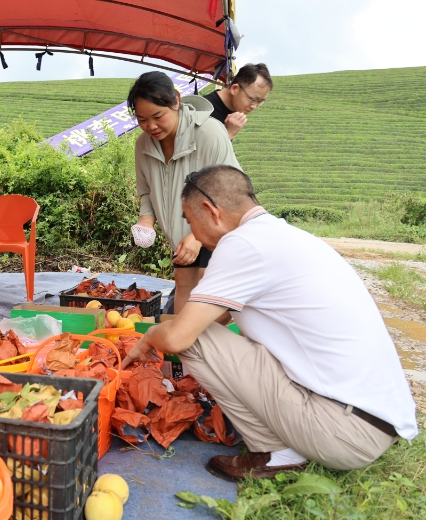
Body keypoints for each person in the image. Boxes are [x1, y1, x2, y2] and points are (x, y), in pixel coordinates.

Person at [123, 165, 418, 480]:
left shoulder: (242, 245)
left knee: (193, 339)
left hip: (342, 432)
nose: (193, 233)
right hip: (368, 422)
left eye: (191, 221)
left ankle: (278, 453)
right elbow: (211, 318)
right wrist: (186, 279)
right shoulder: (280, 236)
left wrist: (151, 334)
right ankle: (286, 446)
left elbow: (182, 336)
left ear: (210, 211)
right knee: (201, 334)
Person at [129, 71, 241, 314]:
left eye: (158, 116)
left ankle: (206, 346)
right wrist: (146, 221)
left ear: (176, 101)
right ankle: (182, 349)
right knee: (183, 285)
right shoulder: (143, 146)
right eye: (142, 119)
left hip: (218, 233)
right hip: (181, 239)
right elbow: (147, 193)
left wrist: (197, 237)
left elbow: (230, 191)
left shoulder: (210, 132)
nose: (151, 126)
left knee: (210, 297)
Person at [203, 63, 273, 140]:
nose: (254, 106)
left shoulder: (234, 114)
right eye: (252, 99)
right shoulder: (202, 110)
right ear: (235, 89)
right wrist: (229, 134)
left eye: (260, 102)